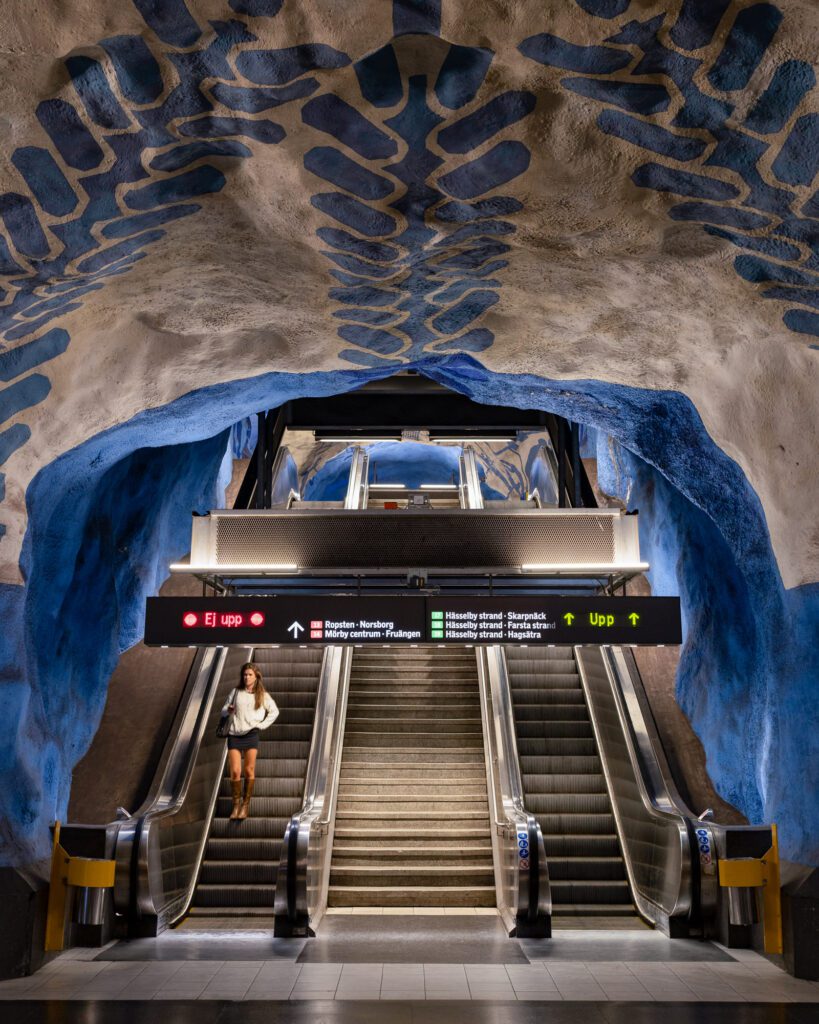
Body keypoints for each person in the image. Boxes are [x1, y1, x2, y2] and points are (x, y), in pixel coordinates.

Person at [223, 662, 279, 820]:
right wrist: (228, 710)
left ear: (256, 677)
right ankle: (235, 805)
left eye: (250, 675)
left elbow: (274, 711)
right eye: (245, 674)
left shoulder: (262, 695)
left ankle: (245, 805)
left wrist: (261, 726)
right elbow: (223, 710)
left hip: (251, 734)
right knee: (235, 771)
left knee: (249, 770)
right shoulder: (235, 692)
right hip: (234, 734)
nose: (246, 677)